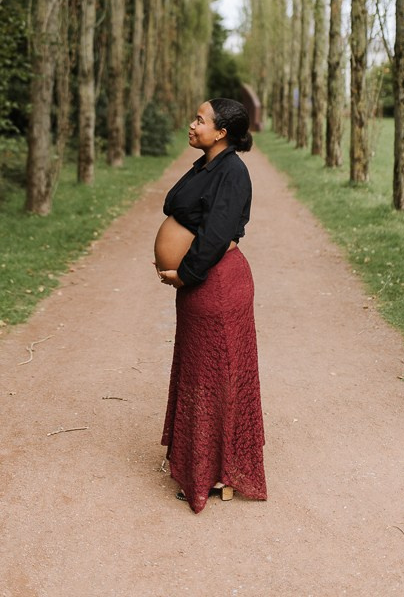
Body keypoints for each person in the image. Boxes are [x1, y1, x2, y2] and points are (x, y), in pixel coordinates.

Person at [154, 97, 267, 513]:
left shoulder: (233, 171)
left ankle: (218, 473)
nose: (192, 124)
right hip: (202, 287)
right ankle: (203, 465)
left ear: (221, 132)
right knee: (199, 374)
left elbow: (218, 235)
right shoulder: (205, 165)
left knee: (215, 376)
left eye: (200, 120)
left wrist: (185, 273)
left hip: (217, 286)